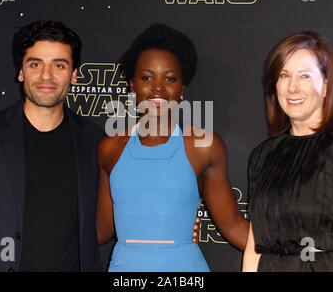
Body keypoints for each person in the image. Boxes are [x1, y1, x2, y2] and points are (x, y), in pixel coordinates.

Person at [0, 20, 104, 271]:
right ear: (21, 71)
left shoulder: (93, 139)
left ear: (74, 74)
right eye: (36, 64)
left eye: (59, 65)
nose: (46, 76)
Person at [97, 23, 249, 272]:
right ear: (132, 86)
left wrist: (294, 253)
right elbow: (101, 230)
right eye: (147, 77)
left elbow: (233, 225)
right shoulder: (109, 148)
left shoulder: (204, 146)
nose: (157, 87)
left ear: (182, 89)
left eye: (169, 78)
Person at [243, 31, 333, 272]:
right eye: (284, 75)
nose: (293, 87)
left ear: (327, 85)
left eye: (305, 76)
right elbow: (254, 245)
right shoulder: (262, 155)